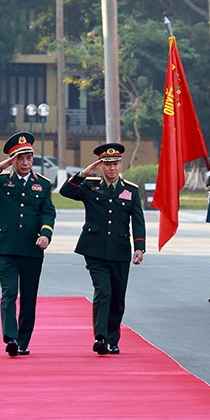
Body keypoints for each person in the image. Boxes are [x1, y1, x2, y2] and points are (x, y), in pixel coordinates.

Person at [0, 131, 56, 358]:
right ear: (12, 160)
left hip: (32, 248)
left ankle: (23, 341)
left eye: (29, 158)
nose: (25, 163)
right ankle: (11, 337)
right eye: (20, 158)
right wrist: (0, 166)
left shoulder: (43, 185)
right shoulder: (0, 181)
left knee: (28, 297)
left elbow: (48, 213)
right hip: (5, 247)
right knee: (9, 293)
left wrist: (46, 235)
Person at [60, 143, 146, 355]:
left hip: (119, 250)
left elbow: (138, 220)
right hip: (95, 249)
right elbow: (66, 191)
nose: (111, 168)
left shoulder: (130, 190)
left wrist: (140, 247)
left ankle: (113, 339)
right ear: (101, 166)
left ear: (120, 164)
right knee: (103, 291)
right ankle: (100, 337)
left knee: (117, 297)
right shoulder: (90, 186)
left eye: (115, 164)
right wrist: (84, 173)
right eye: (107, 164)